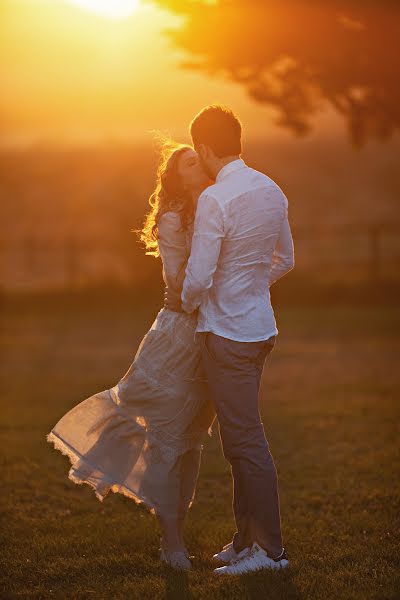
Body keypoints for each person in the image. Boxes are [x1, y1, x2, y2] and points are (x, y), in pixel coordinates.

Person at [46, 139, 216, 571]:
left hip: (213, 337)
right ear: (177, 176)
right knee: (166, 441)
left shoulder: (217, 208)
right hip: (177, 338)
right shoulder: (175, 218)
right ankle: (171, 540)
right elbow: (179, 285)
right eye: (189, 161)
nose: (201, 162)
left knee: (193, 442)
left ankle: (178, 525)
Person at [164, 104, 295, 575]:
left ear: (203, 147)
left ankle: (270, 552)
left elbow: (197, 278)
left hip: (227, 333)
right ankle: (244, 540)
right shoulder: (270, 189)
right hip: (260, 327)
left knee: (245, 441)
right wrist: (250, 285)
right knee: (238, 441)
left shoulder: (218, 199)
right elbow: (286, 259)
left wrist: (209, 296)